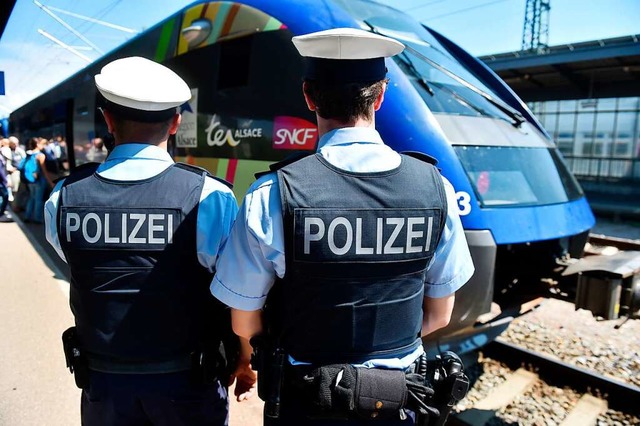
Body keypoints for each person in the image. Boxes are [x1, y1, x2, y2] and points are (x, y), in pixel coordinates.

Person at [210, 28, 475, 425]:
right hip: (399, 402)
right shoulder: (435, 187)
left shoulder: (272, 194)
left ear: (308, 95)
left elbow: (243, 320)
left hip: (305, 402)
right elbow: (439, 315)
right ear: (380, 96)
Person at [44, 56, 240, 426]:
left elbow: (75, 260)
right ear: (176, 123)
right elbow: (232, 285)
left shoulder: (63, 198)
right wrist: (243, 359)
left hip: (104, 385)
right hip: (188, 386)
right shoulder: (209, 196)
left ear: (108, 120)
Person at [23, 137, 54, 223]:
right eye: (41, 144)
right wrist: (50, 182)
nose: (43, 146)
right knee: (38, 199)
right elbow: (44, 171)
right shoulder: (40, 155)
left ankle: (27, 216)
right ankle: (37, 218)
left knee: (31, 198)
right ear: (37, 144)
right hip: (39, 180)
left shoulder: (28, 154)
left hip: (30, 179)